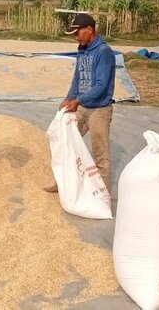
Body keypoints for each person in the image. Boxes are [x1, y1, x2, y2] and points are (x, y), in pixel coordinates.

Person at [50, 13, 116, 191]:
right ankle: (62, 184)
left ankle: (102, 195)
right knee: (67, 145)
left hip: (99, 111)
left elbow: (101, 85)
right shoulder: (82, 49)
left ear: (89, 30)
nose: (75, 38)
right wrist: (69, 98)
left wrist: (78, 100)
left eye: (77, 33)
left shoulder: (104, 52)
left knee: (100, 154)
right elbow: (78, 78)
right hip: (81, 107)